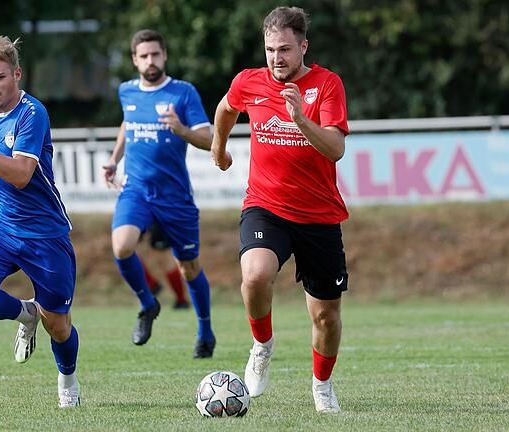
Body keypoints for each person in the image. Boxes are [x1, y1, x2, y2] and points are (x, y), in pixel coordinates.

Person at [211, 7, 350, 413]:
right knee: (254, 275)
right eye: (271, 49)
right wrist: (219, 150)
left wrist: (301, 120)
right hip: (266, 206)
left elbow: (336, 149)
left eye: (285, 49)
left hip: (319, 216)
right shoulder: (249, 81)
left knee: (325, 318)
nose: (277, 58)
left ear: (303, 47)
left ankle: (322, 387)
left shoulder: (326, 85)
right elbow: (225, 109)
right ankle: (262, 345)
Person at [0, 36, 81, 408]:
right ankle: (26, 312)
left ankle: (67, 379)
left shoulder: (32, 113)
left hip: (44, 233)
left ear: (17, 74)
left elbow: (22, 174)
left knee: (58, 324)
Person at [102, 29, 216, 358]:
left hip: (174, 196)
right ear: (135, 60)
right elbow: (127, 124)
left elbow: (208, 139)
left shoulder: (183, 93)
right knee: (121, 246)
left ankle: (205, 332)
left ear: (164, 55)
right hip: (136, 190)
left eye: (155, 54)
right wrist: (113, 160)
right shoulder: (126, 91)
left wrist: (181, 130)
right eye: (144, 56)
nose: (150, 61)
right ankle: (148, 303)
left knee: (189, 267)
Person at [139, 224, 191, 309]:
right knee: (128, 250)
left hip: (159, 217)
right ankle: (152, 284)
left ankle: (181, 300)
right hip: (138, 214)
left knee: (165, 258)